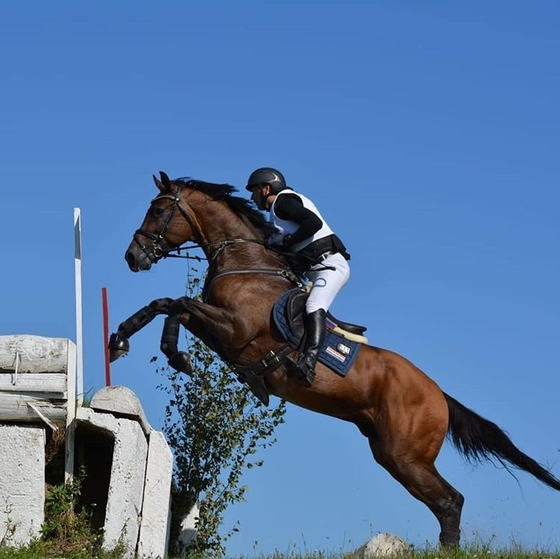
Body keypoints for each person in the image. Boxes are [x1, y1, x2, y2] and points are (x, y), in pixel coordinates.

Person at [245, 167, 351, 386]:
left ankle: (309, 363)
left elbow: (314, 224)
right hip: (317, 268)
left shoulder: (282, 203)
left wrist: (288, 242)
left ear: (266, 188)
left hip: (331, 266)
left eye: (254, 191)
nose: (252, 196)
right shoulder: (278, 212)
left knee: (313, 305)